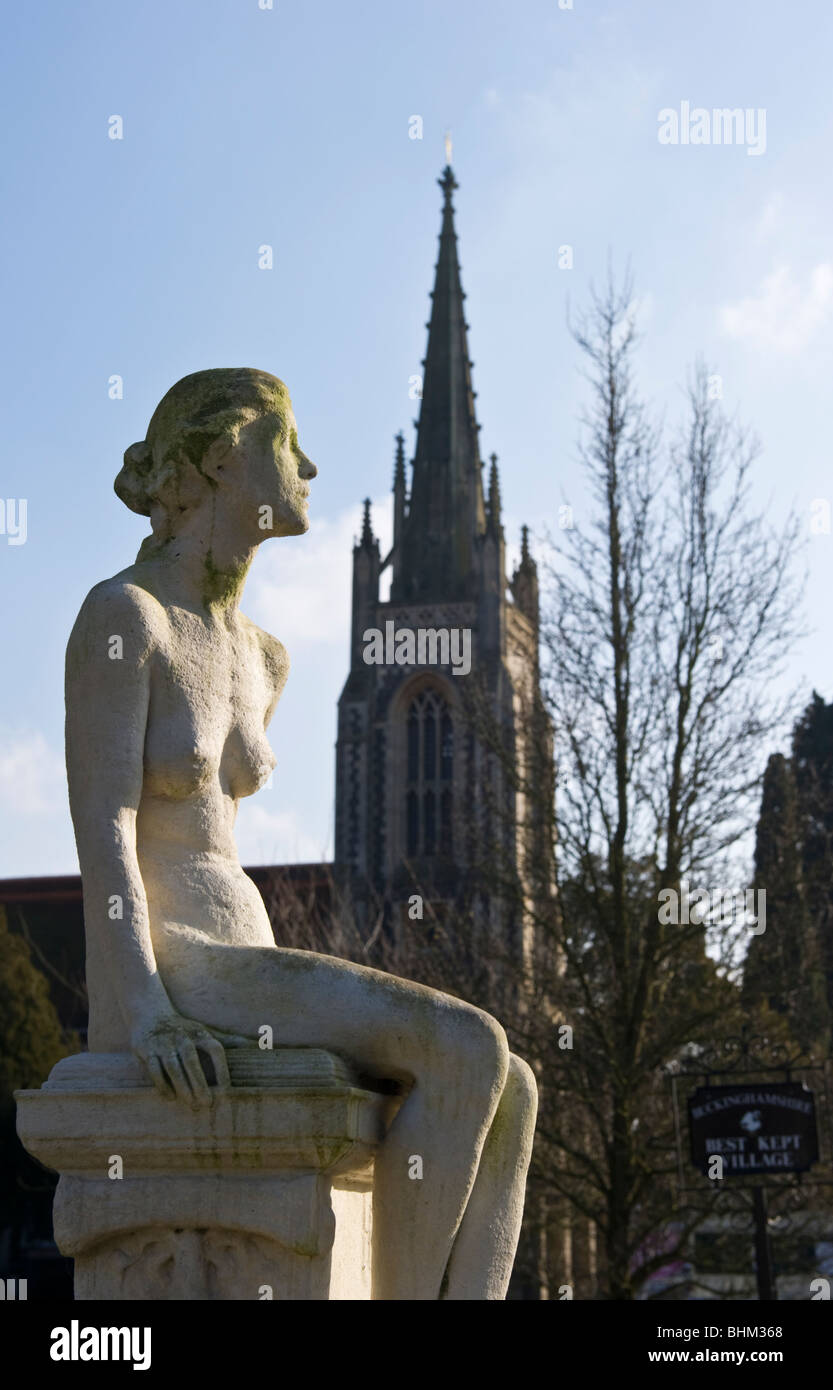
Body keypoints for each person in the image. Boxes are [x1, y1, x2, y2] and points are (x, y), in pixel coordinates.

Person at [65, 367, 536, 1299]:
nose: (311, 464)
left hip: (251, 954)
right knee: (469, 1047)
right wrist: (147, 1009)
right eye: (287, 445)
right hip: (182, 960)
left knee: (512, 1088)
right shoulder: (127, 618)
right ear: (219, 460)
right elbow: (104, 830)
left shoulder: (261, 656)